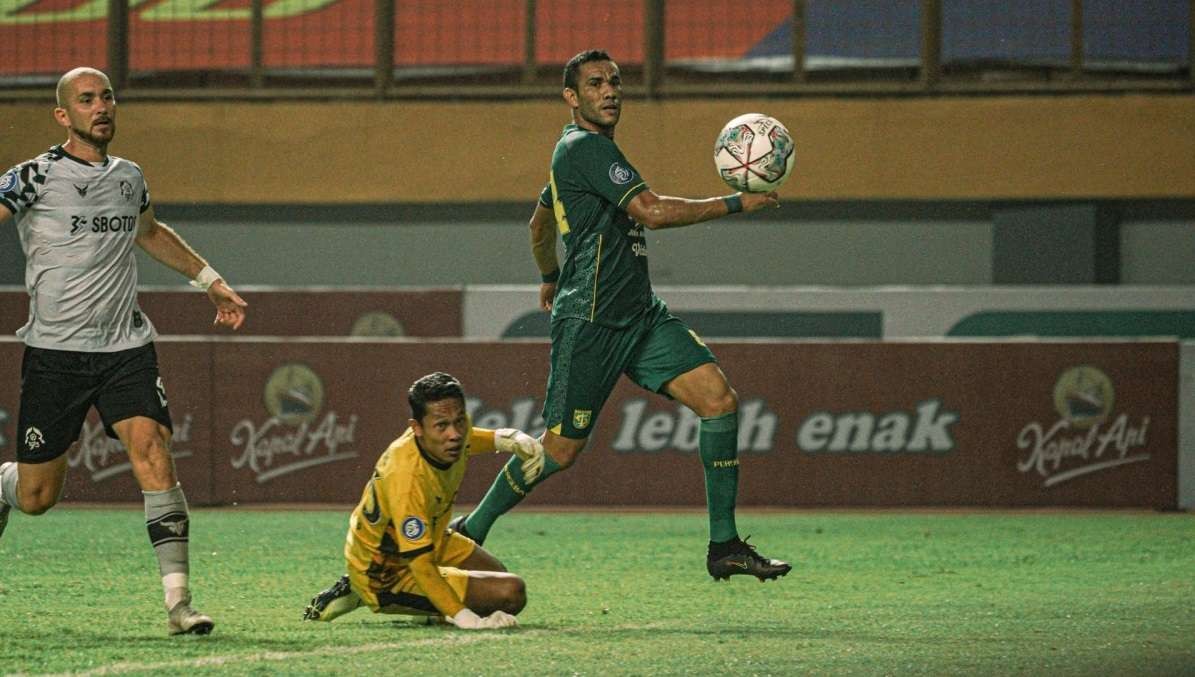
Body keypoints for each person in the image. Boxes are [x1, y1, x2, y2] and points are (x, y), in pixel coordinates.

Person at [451, 49, 791, 582]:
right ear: (571, 98)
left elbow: (539, 226)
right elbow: (651, 213)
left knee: (719, 401)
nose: (610, 91)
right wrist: (734, 204)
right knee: (560, 450)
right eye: (594, 84)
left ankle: (724, 545)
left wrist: (547, 275)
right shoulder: (584, 148)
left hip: (639, 316)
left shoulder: (581, 156)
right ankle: (469, 531)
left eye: (614, 81)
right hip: (590, 320)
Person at [0, 67, 248, 635]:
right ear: (64, 115)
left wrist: (209, 278)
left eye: (106, 96)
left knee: (154, 451)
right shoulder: (34, 176)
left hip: (125, 347)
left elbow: (150, 230)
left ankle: (180, 607)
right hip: (54, 354)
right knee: (38, 496)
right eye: (86, 100)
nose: (101, 106)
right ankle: (3, 485)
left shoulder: (129, 177)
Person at [303, 372, 544, 629]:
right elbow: (421, 564)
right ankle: (361, 590)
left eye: (459, 421)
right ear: (416, 428)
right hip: (385, 572)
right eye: (442, 426)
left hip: (431, 538)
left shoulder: (450, 432)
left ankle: (425, 608)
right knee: (509, 593)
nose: (454, 434)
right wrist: (468, 619)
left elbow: (466, 439)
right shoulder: (406, 478)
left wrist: (510, 438)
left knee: (499, 578)